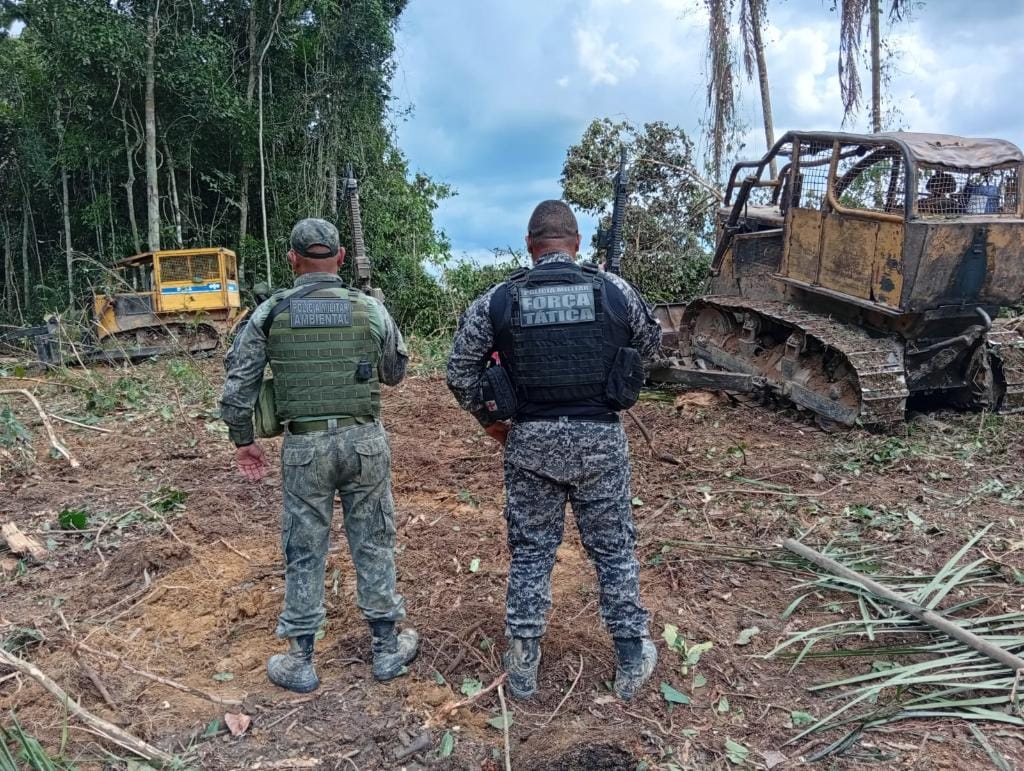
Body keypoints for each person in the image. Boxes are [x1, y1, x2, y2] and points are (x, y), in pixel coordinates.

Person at [446, 200, 662, 701]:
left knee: (532, 555)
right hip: (600, 442)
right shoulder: (614, 290)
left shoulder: (499, 299)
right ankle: (631, 657)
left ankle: (522, 668)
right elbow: (651, 351)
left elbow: (459, 372)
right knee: (614, 553)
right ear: (578, 243)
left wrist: (490, 422)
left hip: (530, 444)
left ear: (529, 245)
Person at [220, 218, 418, 693]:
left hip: (304, 447)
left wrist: (244, 440)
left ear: (292, 259)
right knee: (373, 538)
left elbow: (236, 390)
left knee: (303, 546)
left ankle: (301, 659)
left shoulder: (270, 312)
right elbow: (394, 375)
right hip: (364, 441)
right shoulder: (367, 309)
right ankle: (387, 650)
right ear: (341, 258)